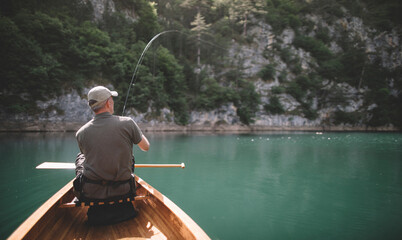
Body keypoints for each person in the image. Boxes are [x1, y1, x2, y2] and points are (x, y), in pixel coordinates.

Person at [74, 86, 150, 225]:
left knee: (81, 157)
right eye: (112, 100)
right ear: (109, 102)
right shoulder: (127, 122)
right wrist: (134, 131)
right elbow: (146, 147)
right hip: (123, 189)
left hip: (93, 193)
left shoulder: (81, 133)